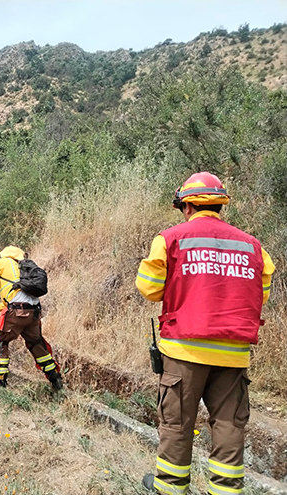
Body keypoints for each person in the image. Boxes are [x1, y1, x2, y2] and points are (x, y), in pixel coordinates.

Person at [136, 172, 274, 495]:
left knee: (177, 423)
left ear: (187, 206)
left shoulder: (170, 239)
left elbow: (149, 287)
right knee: (229, 425)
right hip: (233, 355)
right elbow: (261, 293)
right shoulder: (253, 246)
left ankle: (170, 488)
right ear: (220, 206)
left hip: (184, 351)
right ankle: (225, 490)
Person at [0, 246, 62, 390]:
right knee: (36, 343)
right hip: (34, 312)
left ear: (4, 254)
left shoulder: (3, 262)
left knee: (0, 341)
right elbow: (16, 298)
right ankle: (55, 379)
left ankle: (0, 383)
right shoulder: (23, 268)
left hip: (16, 311)